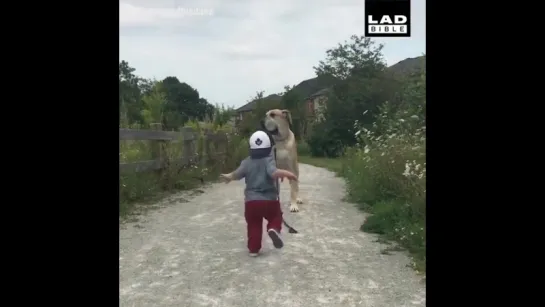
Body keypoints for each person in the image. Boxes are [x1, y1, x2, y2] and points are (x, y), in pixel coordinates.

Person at [220, 130, 298, 257]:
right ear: (268, 148)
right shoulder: (268, 160)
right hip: (270, 201)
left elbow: (236, 174)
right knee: (275, 216)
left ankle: (254, 249)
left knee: (254, 225)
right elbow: (274, 173)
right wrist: (287, 173)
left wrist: (229, 177)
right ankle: (273, 228)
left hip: (251, 202)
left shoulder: (246, 162)